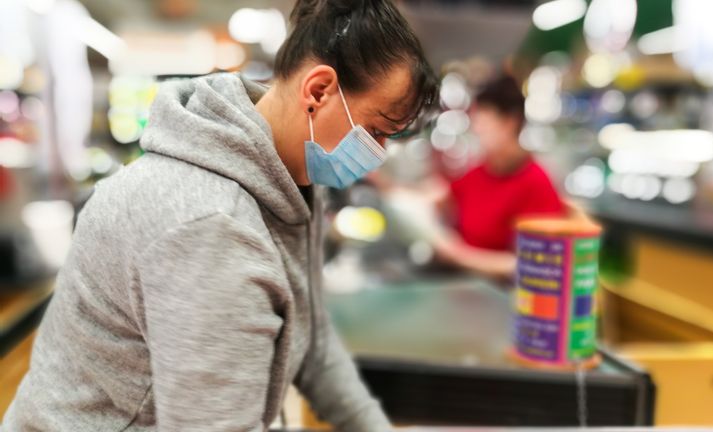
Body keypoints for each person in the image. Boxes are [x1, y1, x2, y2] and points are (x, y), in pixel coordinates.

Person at [2, 0, 437, 430]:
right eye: (376, 130)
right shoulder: (210, 227)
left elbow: (314, 344)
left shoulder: (290, 177)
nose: (376, 153)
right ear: (319, 91)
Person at [431, 74, 566, 279]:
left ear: (510, 123)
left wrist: (461, 256)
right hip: (466, 287)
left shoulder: (535, 182)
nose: (476, 130)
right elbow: (441, 199)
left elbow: (536, 264)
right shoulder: (479, 172)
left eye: (484, 121)